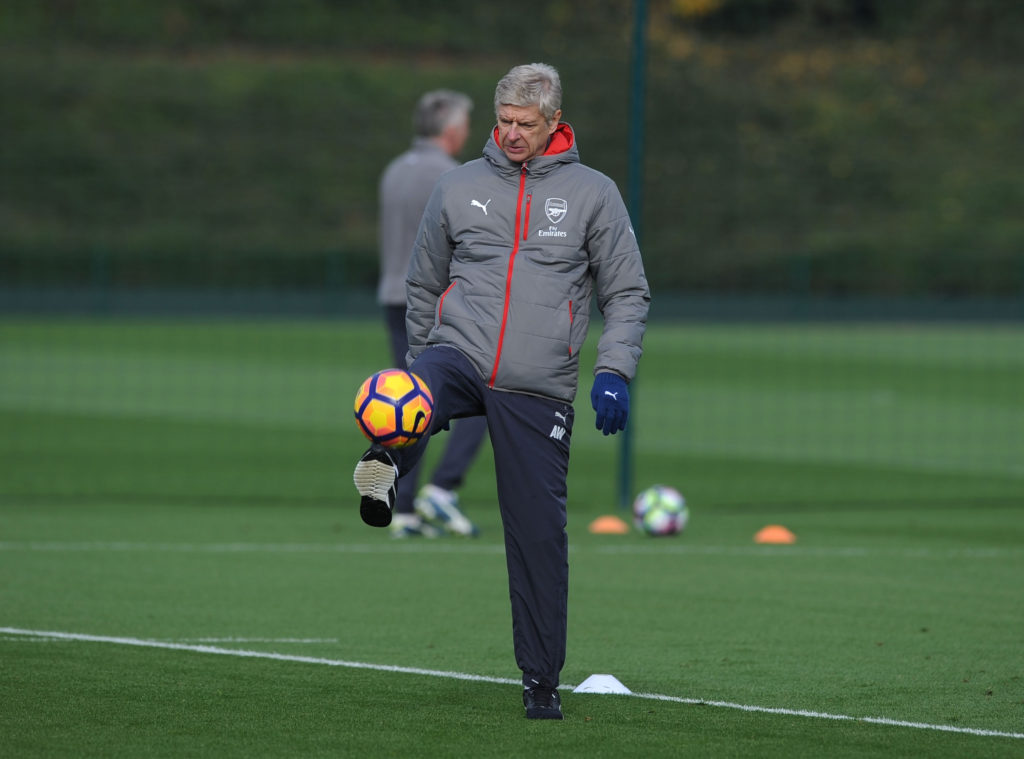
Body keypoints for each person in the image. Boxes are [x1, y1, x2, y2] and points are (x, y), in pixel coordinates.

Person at [355, 63, 649, 720]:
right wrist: (425, 348)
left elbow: (627, 292)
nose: (512, 134)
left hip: (537, 382)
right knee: (410, 391)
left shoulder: (594, 193)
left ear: (553, 122)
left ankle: (540, 682)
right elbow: (422, 280)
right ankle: (384, 466)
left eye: (525, 124)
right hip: (457, 353)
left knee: (538, 536)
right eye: (504, 122)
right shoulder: (458, 186)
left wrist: (613, 370)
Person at [377, 89, 489, 538]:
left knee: (406, 403)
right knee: (482, 395)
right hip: (437, 302)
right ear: (451, 129)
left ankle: (402, 508)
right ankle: (442, 490)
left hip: (392, 295)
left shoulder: (394, 171)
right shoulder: (453, 175)